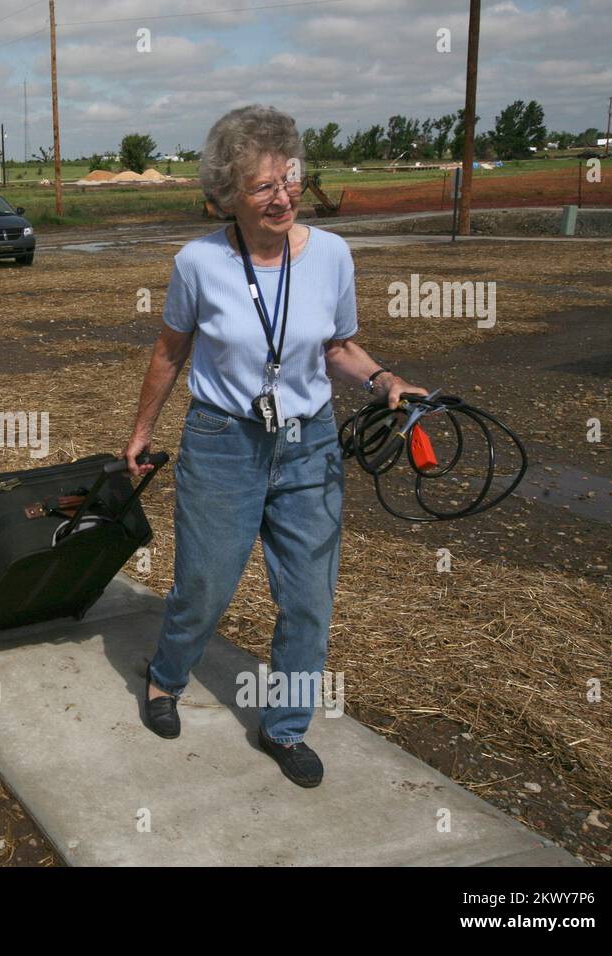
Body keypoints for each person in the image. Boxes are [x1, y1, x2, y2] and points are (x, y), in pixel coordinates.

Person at [121, 105, 426, 788]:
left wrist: (382, 381)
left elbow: (339, 347)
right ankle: (166, 678)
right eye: (262, 186)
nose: (282, 195)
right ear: (226, 196)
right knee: (206, 585)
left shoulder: (333, 256)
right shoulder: (198, 262)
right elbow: (172, 349)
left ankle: (284, 727)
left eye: (289, 178)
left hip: (308, 443)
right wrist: (142, 430)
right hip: (222, 441)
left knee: (310, 597)